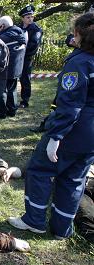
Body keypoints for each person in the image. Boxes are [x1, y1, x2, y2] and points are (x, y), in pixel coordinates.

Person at [8, 12, 94, 239]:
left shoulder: (79, 63)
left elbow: (71, 105)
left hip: (74, 130)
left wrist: (56, 137)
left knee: (40, 169)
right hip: (91, 136)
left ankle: (34, 220)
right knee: (74, 179)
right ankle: (62, 228)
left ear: (80, 35)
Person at [0, 16, 27, 118]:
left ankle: (1, 112)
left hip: (5, 68)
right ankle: (12, 111)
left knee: (0, 90)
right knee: (12, 90)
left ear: (2, 25)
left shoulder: (4, 37)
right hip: (16, 68)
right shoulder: (20, 33)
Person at [18, 5, 43, 108]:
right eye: (28, 17)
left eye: (31, 16)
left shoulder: (36, 29)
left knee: (25, 79)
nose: (30, 19)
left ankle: (25, 101)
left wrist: (22, 51)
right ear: (23, 18)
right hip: (17, 57)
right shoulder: (18, 28)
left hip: (26, 57)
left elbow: (33, 45)